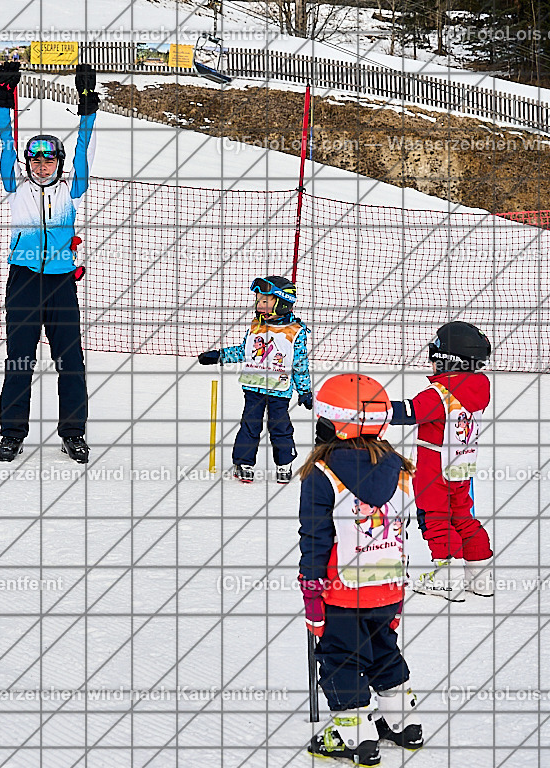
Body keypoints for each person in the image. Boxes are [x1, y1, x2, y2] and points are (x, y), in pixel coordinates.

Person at [299, 374, 424, 765]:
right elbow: (404, 528)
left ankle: (357, 740)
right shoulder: (400, 468)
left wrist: (311, 587)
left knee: (342, 659)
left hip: (341, 591)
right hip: (388, 585)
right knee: (383, 650)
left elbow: (315, 536)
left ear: (331, 423)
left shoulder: (322, 474)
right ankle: (404, 725)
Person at [0, 60, 99, 464]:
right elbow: (4, 139)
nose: (41, 166)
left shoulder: (72, 189)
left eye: (48, 160)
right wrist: (5, 97)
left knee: (70, 362)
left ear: (58, 162)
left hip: (60, 283)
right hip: (22, 281)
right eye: (34, 161)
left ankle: (73, 433)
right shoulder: (15, 187)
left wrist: (87, 105)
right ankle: (12, 434)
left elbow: (85, 146)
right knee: (19, 360)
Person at [390, 321, 494, 601]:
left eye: (434, 359)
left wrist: (371, 408)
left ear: (449, 360)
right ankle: (479, 576)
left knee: (434, 516)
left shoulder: (441, 393)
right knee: (462, 516)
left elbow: (410, 412)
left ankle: (448, 579)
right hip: (462, 465)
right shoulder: (477, 388)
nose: (432, 365)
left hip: (434, 467)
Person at [198, 276, 312, 483]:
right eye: (258, 300)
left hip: (279, 390)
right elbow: (245, 351)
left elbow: (299, 364)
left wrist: (304, 391)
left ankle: (284, 464)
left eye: (265, 301)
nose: (259, 305)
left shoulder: (296, 331)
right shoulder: (256, 326)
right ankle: (244, 463)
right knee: (250, 426)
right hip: (253, 387)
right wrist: (219, 356)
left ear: (282, 303)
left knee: (280, 428)